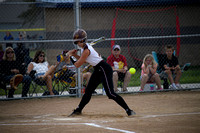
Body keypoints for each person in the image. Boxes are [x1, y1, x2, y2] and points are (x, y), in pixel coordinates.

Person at [68, 29, 135, 117]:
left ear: (82, 40)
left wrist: (70, 56)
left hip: (104, 69)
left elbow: (77, 64)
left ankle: (129, 110)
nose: (77, 44)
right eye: (76, 42)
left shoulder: (86, 50)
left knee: (110, 94)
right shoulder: (85, 49)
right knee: (88, 91)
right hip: (98, 70)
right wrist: (73, 55)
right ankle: (78, 110)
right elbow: (84, 60)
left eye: (78, 42)